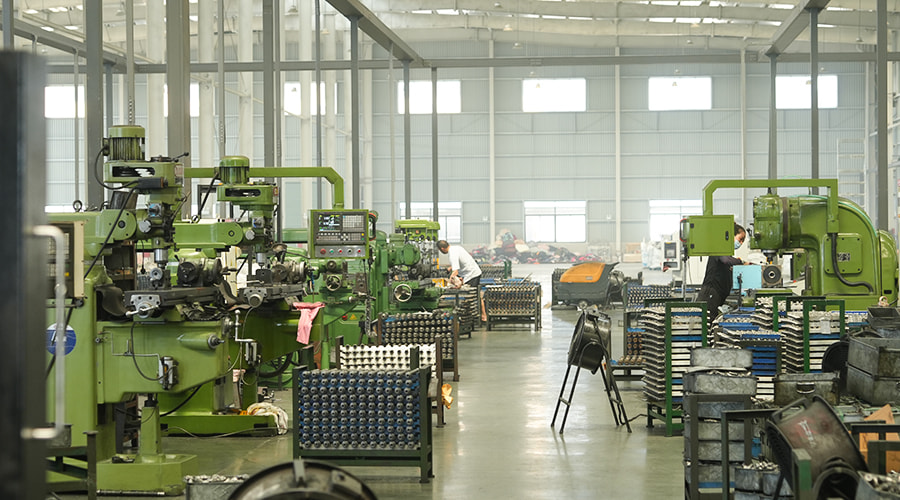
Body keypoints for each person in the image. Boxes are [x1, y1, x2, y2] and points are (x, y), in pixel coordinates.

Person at [697, 223, 747, 322]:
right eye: (740, 239)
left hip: (718, 294)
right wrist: (741, 262)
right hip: (710, 293)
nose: (741, 243)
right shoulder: (719, 247)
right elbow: (725, 260)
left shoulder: (727, 252)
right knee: (707, 321)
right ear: (732, 235)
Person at [437, 240, 486, 321]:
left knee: (472, 296)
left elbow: (455, 272)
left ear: (442, 248)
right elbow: (461, 261)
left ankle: (481, 316)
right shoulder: (456, 248)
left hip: (471, 275)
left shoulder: (452, 254)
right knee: (475, 295)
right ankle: (480, 316)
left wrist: (450, 280)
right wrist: (450, 268)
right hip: (472, 272)